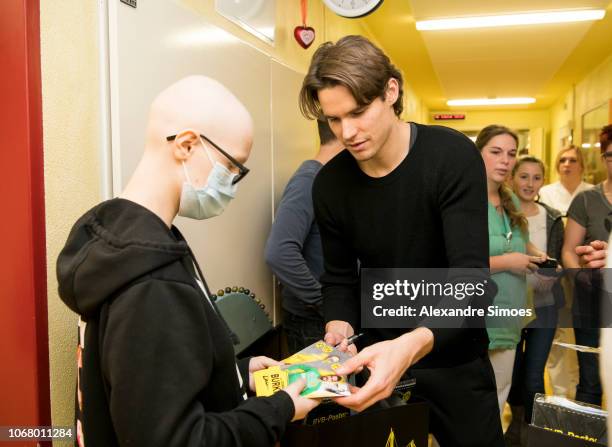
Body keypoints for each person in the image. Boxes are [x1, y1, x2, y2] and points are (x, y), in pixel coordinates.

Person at [56, 76, 318, 447]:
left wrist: (238, 375)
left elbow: (151, 389)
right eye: (232, 167)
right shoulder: (152, 283)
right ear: (187, 145)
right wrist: (278, 409)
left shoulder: (123, 244)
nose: (233, 184)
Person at [299, 35, 504, 446]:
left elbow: (472, 279)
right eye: (334, 120)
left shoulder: (450, 156)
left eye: (358, 112)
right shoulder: (331, 184)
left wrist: (411, 344)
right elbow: (338, 279)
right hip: (376, 361)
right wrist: (338, 326)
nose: (348, 132)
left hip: (453, 355)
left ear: (391, 91)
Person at [476, 126, 548, 420]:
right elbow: (450, 264)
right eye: (495, 152)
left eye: (510, 154)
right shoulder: (462, 201)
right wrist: (509, 262)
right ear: (477, 153)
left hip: (508, 318)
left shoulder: (511, 201)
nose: (504, 160)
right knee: (468, 410)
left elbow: (518, 238)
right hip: (472, 322)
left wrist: (534, 253)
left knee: (497, 402)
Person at [265, 119, 344, 353]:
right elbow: (279, 252)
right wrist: (326, 303)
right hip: (312, 323)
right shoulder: (309, 180)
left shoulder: (329, 179)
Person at [505, 156, 565, 445]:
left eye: (537, 177)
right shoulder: (503, 212)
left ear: (544, 180)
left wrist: (557, 272)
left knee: (533, 375)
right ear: (513, 178)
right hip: (512, 303)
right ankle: (516, 426)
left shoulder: (553, 216)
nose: (530, 183)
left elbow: (560, 256)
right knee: (513, 374)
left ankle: (532, 432)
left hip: (545, 305)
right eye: (524, 176)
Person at [561, 124, 612, 405]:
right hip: (592, 301)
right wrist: (582, 277)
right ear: (603, 158)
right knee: (591, 381)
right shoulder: (586, 200)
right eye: (611, 155)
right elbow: (569, 251)